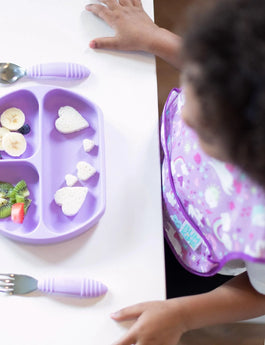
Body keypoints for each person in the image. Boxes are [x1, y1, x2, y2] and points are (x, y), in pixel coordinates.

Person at [85, 0, 265, 344]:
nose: (184, 118)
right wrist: (155, 37)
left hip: (189, 257)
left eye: (205, 129)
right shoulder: (231, 81)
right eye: (193, 78)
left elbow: (261, 292)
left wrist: (182, 314)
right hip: (161, 179)